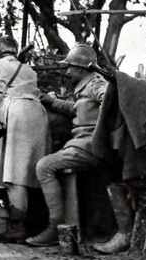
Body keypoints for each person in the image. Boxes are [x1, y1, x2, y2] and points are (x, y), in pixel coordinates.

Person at [0, 36, 50, 240]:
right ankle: (37, 224)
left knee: (13, 174)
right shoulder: (28, 69)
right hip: (38, 115)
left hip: (16, 114)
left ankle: (18, 226)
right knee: (33, 171)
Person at [27, 44, 109, 246]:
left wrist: (103, 129)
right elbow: (77, 109)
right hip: (81, 144)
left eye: (70, 67)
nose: (67, 71)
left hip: (90, 146)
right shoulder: (85, 86)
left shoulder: (96, 83)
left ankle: (56, 228)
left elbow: (110, 97)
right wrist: (52, 102)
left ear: (81, 68)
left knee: (44, 166)